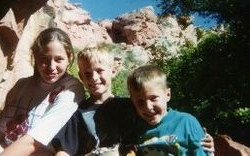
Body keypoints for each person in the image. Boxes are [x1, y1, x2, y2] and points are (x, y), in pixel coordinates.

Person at [53, 45, 215, 156]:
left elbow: (163, 126)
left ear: (114, 70)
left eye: (99, 70)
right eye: (87, 74)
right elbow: (65, 150)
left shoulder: (132, 106)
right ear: (81, 76)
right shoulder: (77, 113)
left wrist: (202, 141)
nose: (94, 78)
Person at [0, 27, 85, 156]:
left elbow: (33, 142)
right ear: (35, 57)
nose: (51, 67)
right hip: (3, 148)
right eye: (44, 59)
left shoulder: (71, 89)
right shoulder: (22, 85)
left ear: (69, 58)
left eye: (59, 59)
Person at [122, 64, 212, 155]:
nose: (148, 107)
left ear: (167, 94)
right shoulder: (134, 129)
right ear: (132, 101)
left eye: (153, 98)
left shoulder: (187, 123)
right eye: (140, 102)